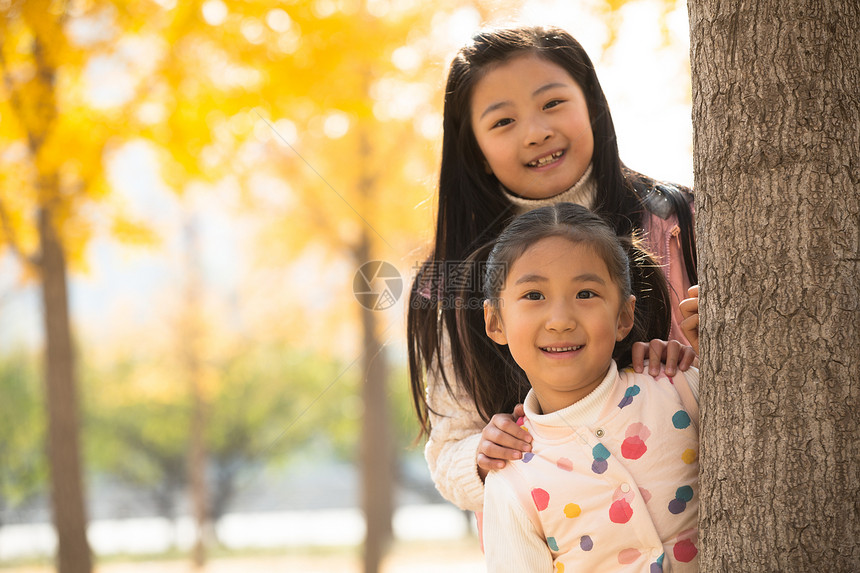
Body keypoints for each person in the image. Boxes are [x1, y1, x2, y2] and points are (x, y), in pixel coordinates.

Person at [407, 25, 698, 514]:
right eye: (502, 122)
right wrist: (482, 455)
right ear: (474, 149)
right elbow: (448, 448)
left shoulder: (676, 222)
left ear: (591, 105)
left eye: (552, 104)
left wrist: (708, 344)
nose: (536, 131)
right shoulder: (452, 283)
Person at [475, 203, 699, 571]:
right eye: (533, 295)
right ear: (495, 321)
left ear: (624, 316)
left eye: (585, 294)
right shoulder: (512, 478)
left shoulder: (678, 387)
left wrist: (714, 351)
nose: (560, 320)